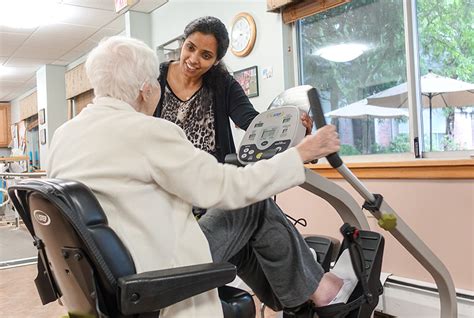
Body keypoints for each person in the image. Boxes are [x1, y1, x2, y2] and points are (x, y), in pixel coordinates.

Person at [47, 36, 356, 318]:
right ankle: (322, 292)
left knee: (241, 228)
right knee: (251, 205)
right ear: (145, 89)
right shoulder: (146, 131)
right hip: (155, 275)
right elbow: (228, 188)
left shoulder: (63, 136)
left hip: (104, 274)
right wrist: (299, 154)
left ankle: (300, 299)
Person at [154, 16, 312, 163]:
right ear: (183, 43)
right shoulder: (155, 76)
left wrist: (297, 131)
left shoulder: (224, 85)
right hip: (162, 179)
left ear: (216, 61)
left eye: (206, 55)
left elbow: (253, 124)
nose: (194, 59)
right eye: (190, 47)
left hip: (211, 181)